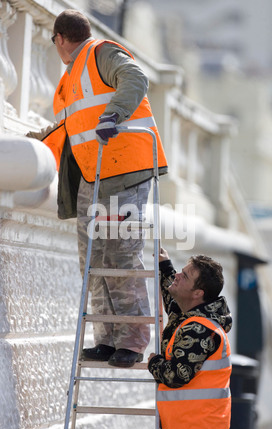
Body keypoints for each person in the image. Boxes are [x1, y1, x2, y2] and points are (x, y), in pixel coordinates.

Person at [27, 9, 168, 368]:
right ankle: (107, 339)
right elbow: (64, 130)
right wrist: (30, 142)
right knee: (92, 261)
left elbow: (135, 78)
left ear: (59, 39)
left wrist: (114, 114)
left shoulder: (101, 53)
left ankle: (132, 341)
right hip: (96, 176)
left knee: (120, 255)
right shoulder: (71, 78)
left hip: (127, 171)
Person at [148, 248, 232, 429]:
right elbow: (173, 297)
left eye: (184, 275)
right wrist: (165, 265)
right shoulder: (190, 316)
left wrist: (153, 363)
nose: (178, 276)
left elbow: (177, 375)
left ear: (198, 293)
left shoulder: (199, 329)